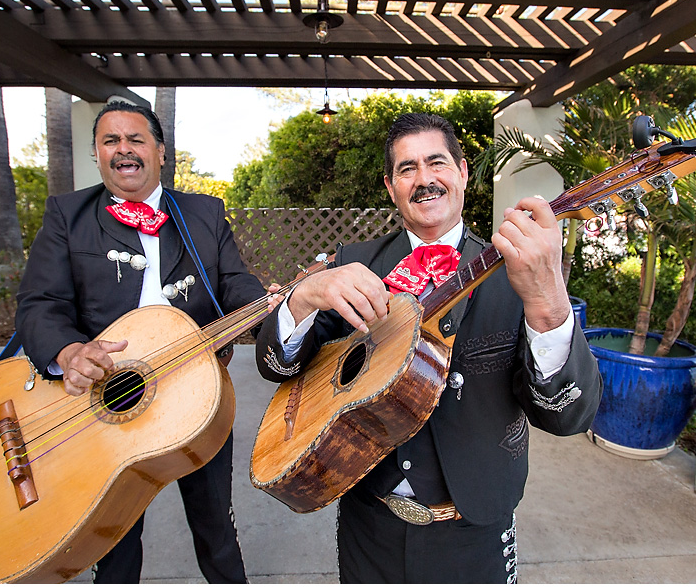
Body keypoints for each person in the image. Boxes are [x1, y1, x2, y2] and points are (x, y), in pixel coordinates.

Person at [255, 113, 603, 583]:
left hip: (474, 526)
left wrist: (547, 306)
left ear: (461, 172)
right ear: (390, 186)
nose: (424, 179)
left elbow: (567, 416)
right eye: (407, 168)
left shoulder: (520, 274)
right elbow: (278, 366)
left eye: (436, 162)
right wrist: (302, 298)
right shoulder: (353, 263)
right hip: (369, 520)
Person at [15, 100, 264, 583]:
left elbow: (235, 282)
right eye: (111, 141)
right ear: (97, 153)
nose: (123, 150)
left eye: (136, 139)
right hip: (110, 399)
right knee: (115, 538)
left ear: (160, 152)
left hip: (197, 393)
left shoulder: (204, 212)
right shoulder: (68, 214)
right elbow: (39, 303)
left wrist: (268, 302)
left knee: (216, 526)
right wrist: (69, 352)